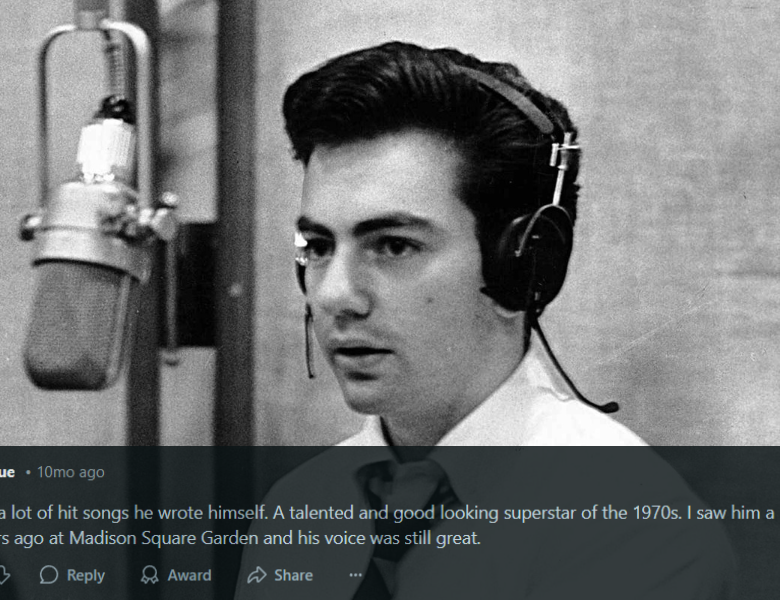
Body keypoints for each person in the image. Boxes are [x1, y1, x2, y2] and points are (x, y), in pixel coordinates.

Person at [235, 42, 736, 599]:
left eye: (394, 246)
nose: (334, 295)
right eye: (320, 246)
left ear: (521, 265)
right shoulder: (299, 508)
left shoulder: (629, 529)